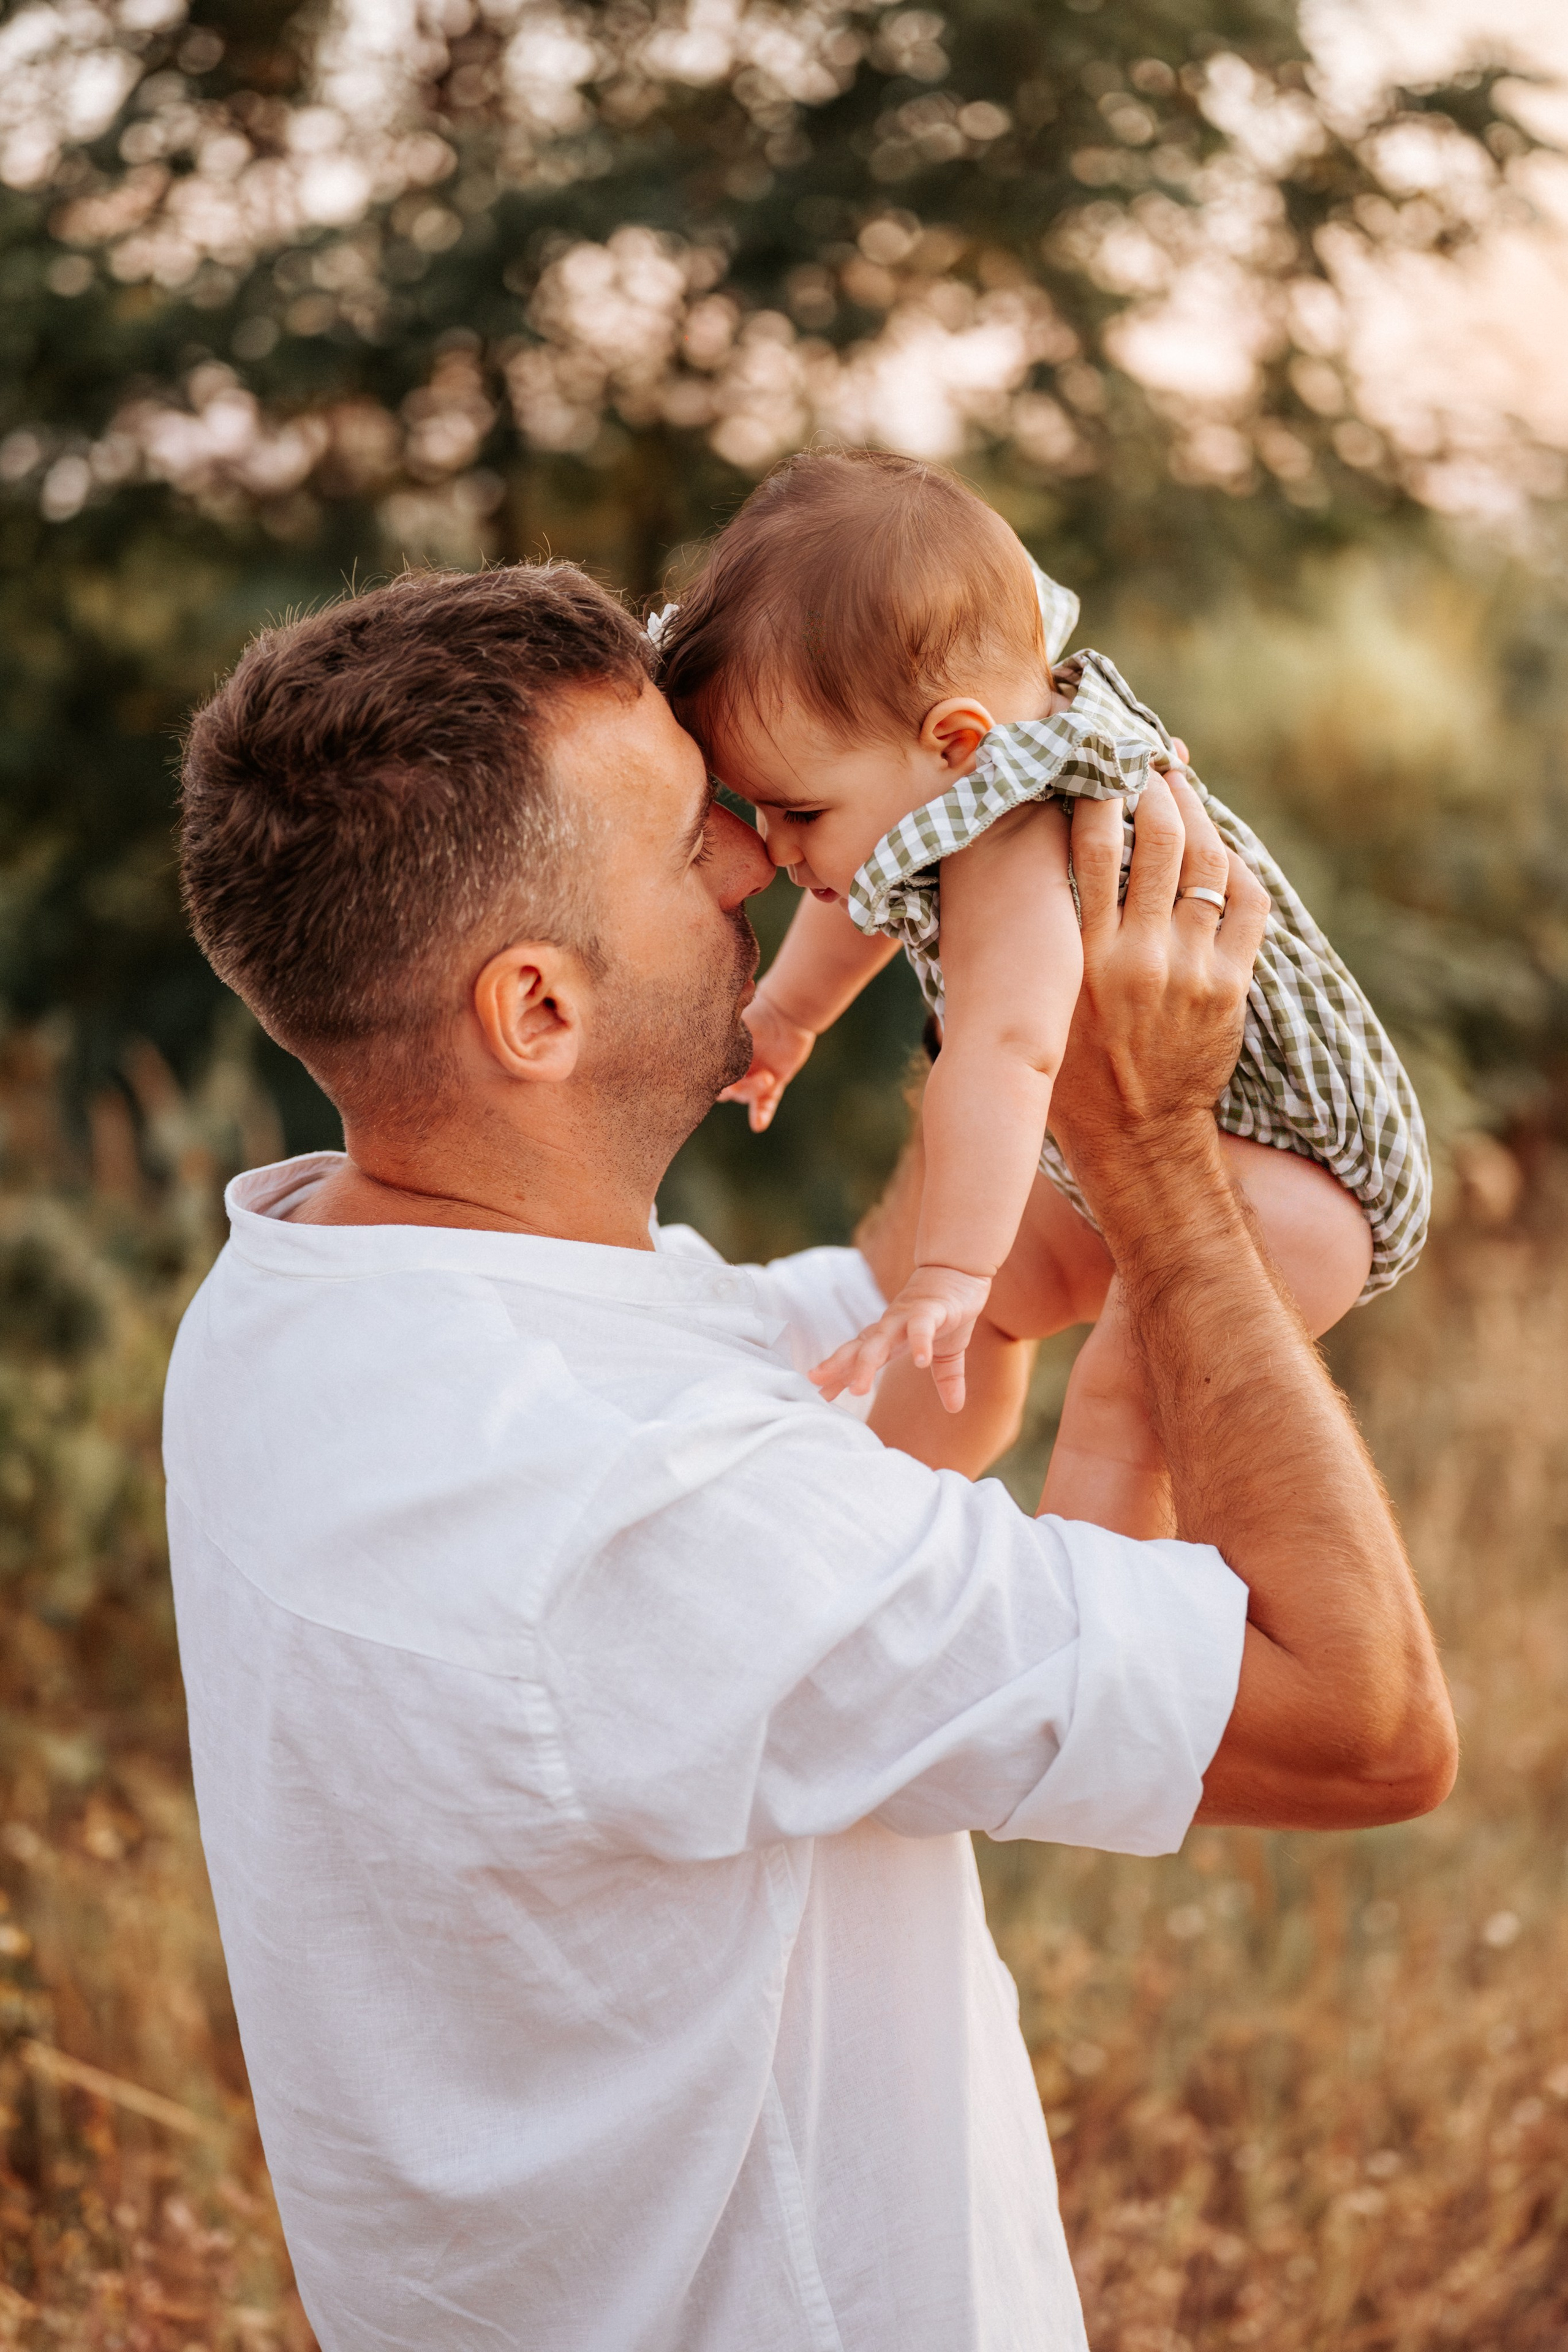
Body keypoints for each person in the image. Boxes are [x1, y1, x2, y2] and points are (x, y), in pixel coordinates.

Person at [165, 558, 1455, 2352]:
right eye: (700, 836)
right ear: (537, 1010)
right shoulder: (645, 1508)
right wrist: (1154, 1154)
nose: (766, 862)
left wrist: (1030, 1014)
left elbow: (900, 1340)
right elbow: (1369, 1730)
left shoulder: (308, 1303)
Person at [656, 449, 1430, 1535]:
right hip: (1162, 1134)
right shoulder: (940, 780)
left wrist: (947, 1265)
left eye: (798, 812)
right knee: (971, 1326)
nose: (777, 848)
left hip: (1297, 1173)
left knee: (1120, 1393)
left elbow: (1007, 1049)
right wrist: (790, 1012)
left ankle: (1090, 1627)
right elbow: (858, 888)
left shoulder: (1022, 840)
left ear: (956, 743)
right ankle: (867, 1522)